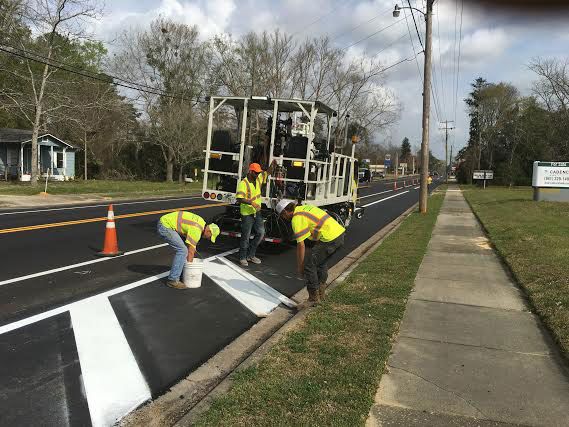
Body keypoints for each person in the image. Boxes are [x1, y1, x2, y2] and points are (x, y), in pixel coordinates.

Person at [276, 200, 345, 306]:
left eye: (281, 216)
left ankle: (313, 298)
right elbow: (318, 226)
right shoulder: (304, 208)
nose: (283, 218)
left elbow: (301, 245)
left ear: (285, 212)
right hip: (338, 235)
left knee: (309, 266)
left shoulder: (296, 219)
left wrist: (300, 267)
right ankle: (321, 294)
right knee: (320, 264)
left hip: (329, 238)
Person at [157, 211, 220, 289]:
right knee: (182, 250)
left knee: (184, 249)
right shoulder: (197, 231)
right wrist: (189, 270)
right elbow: (190, 252)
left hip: (166, 221)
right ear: (209, 231)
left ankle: (177, 274)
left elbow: (188, 235)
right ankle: (173, 280)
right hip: (165, 226)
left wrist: (192, 248)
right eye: (210, 237)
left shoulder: (201, 222)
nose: (208, 238)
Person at [236, 161, 276, 266]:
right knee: (246, 236)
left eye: (258, 173)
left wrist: (272, 165)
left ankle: (251, 255)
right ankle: (242, 257)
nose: (258, 174)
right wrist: (251, 203)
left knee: (261, 233)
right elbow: (239, 198)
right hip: (247, 213)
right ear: (250, 171)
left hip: (257, 212)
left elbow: (267, 173)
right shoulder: (243, 183)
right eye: (256, 173)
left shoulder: (258, 179)